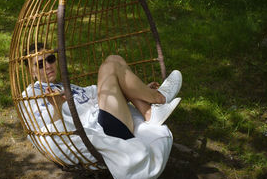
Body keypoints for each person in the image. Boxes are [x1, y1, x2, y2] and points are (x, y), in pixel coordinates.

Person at [22, 42, 182, 140]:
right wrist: (57, 106)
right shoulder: (32, 95)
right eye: (41, 64)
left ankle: (149, 112)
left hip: (111, 118)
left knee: (115, 59)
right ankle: (160, 98)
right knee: (110, 65)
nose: (48, 65)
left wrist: (138, 91)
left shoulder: (68, 87)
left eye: (50, 59)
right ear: (31, 71)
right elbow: (47, 128)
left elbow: (107, 93)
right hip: (101, 130)